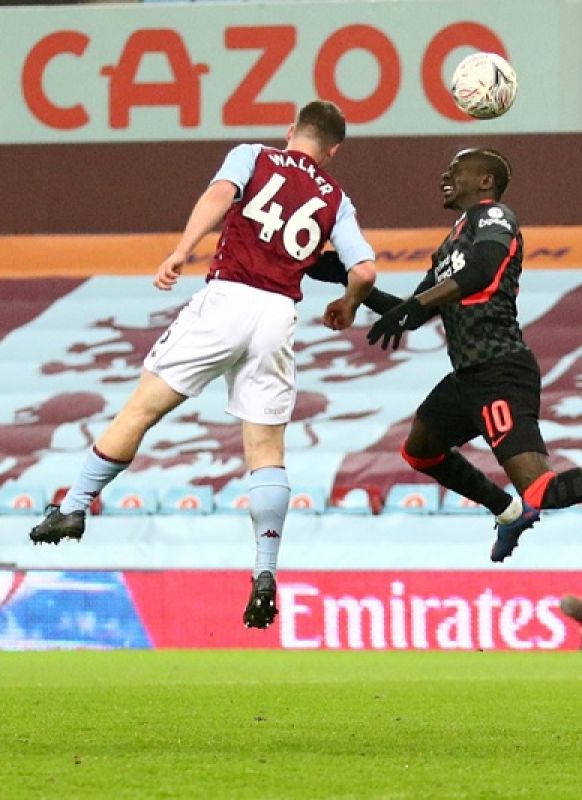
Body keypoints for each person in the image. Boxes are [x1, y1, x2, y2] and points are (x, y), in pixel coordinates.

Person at [29, 100, 378, 631]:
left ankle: (74, 505)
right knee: (266, 451)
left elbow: (220, 195)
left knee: (142, 409)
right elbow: (365, 269)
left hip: (227, 297)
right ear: (332, 151)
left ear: (291, 132)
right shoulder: (337, 198)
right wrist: (348, 306)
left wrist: (182, 249)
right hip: (278, 315)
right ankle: (265, 571)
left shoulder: (253, 156)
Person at [306, 148, 582, 562]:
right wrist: (348, 282)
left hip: (500, 371)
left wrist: (410, 309)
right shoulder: (449, 244)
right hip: (467, 378)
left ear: (486, 182)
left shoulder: (494, 217)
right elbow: (415, 313)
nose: (444, 176)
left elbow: (483, 271)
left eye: (457, 169)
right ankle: (507, 511)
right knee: (420, 451)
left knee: (543, 489)